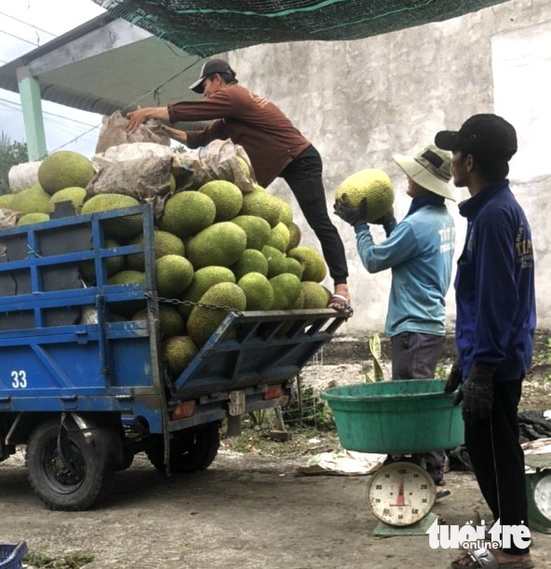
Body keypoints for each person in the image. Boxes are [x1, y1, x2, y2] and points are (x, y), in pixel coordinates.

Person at [126, 58, 351, 311]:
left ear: (217, 80)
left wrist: (147, 111)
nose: (205, 95)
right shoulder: (232, 114)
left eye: (205, 88)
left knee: (319, 220)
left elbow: (189, 111)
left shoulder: (233, 96)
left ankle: (341, 287)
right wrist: (164, 130)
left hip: (299, 158)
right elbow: (198, 138)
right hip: (283, 161)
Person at [436, 114, 535, 569]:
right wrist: (467, 358)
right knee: (490, 450)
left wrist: (484, 366)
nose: (451, 161)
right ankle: (507, 538)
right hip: (493, 354)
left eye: (455, 153)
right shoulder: (495, 210)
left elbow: (499, 299)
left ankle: (513, 551)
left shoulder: (494, 216)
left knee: (497, 455)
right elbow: (489, 296)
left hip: (497, 359)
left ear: (469, 161)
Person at [333, 143, 456, 496]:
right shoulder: (441, 219)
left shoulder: (416, 225)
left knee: (415, 403)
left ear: (424, 184)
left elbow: (373, 261)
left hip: (412, 326)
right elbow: (410, 252)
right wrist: (389, 223)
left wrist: (358, 225)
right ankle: (425, 469)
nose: (406, 179)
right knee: (418, 398)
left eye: (412, 176)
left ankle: (432, 476)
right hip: (426, 321)